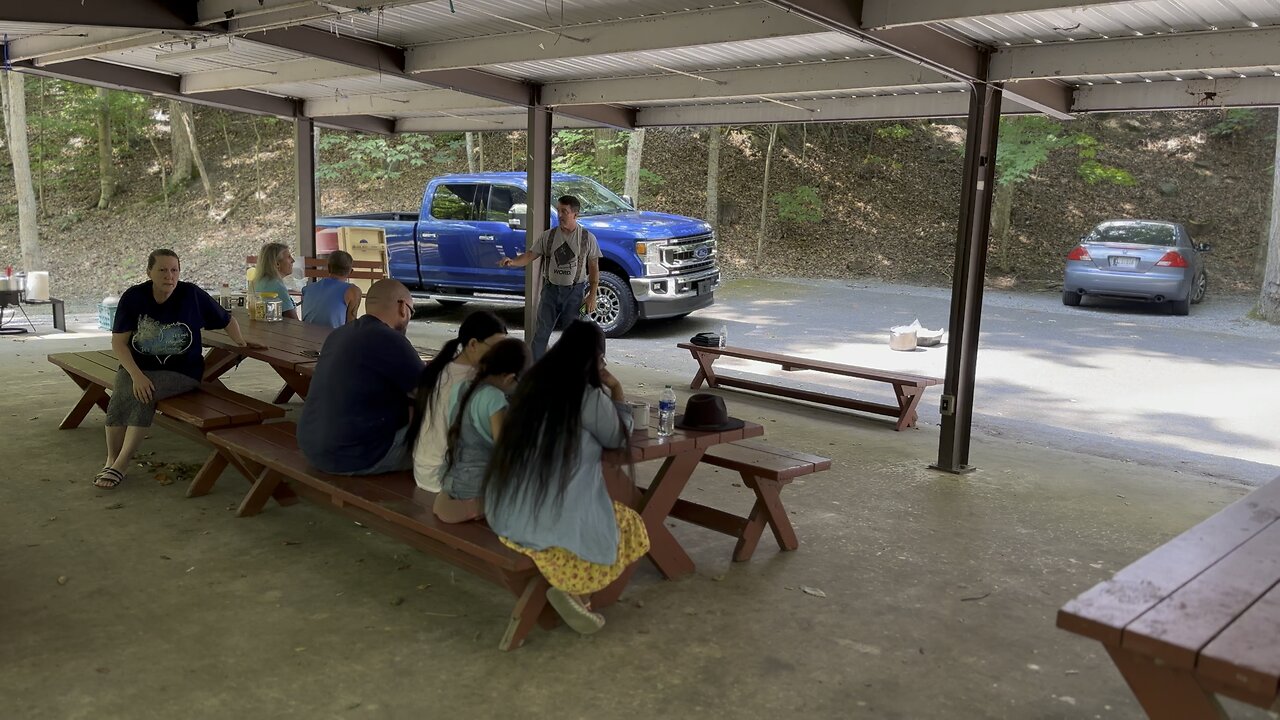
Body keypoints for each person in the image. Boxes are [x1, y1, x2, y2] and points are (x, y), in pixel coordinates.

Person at [482, 320, 649, 634]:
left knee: (589, 514)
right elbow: (616, 437)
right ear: (595, 359)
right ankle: (577, 593)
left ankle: (574, 594)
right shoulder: (587, 396)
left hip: (505, 510)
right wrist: (615, 388)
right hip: (548, 518)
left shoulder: (529, 384)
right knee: (627, 523)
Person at [94, 249, 263, 488]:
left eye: (174, 270)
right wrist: (136, 374)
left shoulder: (191, 294)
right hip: (138, 367)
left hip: (182, 372)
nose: (169, 276)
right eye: (162, 270)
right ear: (149, 272)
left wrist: (242, 343)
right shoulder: (134, 297)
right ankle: (111, 459)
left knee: (144, 394)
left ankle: (121, 463)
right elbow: (119, 343)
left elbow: (227, 320)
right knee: (122, 391)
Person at [298, 279, 422, 475]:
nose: (409, 317)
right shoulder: (390, 339)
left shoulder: (338, 334)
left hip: (313, 447)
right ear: (402, 307)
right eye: (411, 311)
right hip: (356, 457)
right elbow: (430, 391)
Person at [433, 338, 529, 523]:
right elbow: (505, 454)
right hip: (475, 491)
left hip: (451, 483)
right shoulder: (494, 398)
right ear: (510, 377)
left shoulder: (460, 388)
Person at [409, 310, 508, 492]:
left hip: (424, 468)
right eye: (496, 349)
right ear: (472, 344)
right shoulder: (471, 381)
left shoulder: (444, 368)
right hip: (443, 477)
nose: (501, 357)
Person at [498, 195, 601, 359]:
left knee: (572, 337)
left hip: (574, 293)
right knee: (540, 334)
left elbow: (594, 268)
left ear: (575, 214)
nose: (560, 215)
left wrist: (592, 295)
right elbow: (530, 255)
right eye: (559, 210)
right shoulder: (549, 236)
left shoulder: (587, 238)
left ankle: (569, 373)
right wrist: (513, 262)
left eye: (564, 211)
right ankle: (534, 373)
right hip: (551, 291)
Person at [300, 250, 360, 328]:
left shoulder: (307, 289)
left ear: (328, 268)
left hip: (305, 336)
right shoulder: (353, 292)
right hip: (332, 338)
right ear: (350, 271)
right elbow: (351, 326)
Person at [252, 242, 299, 320]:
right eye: (289, 257)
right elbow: (294, 322)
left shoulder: (257, 282)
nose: (293, 260)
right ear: (277, 264)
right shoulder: (277, 286)